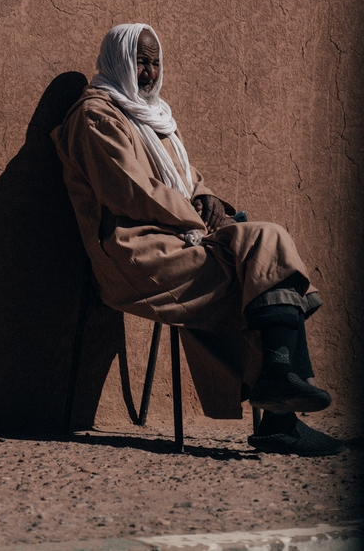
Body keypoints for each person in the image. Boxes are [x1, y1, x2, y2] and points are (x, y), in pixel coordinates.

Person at [52, 23, 344, 456]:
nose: (149, 73)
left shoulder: (154, 117)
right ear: (118, 61)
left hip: (181, 236)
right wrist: (199, 218)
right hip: (135, 250)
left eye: (155, 63)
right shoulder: (96, 117)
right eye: (140, 62)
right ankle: (280, 417)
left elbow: (185, 179)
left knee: (268, 241)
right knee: (259, 278)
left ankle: (278, 380)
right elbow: (131, 192)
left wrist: (208, 199)